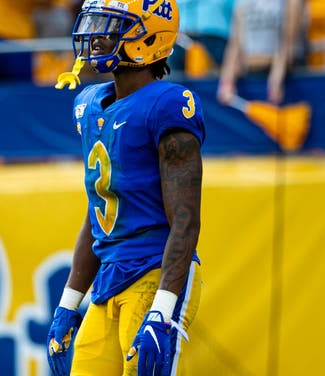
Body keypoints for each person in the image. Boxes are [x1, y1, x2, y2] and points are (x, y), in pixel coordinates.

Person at [46, 0, 205, 375]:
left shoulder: (166, 105)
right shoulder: (89, 105)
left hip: (154, 270)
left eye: (111, 26)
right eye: (97, 23)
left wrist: (162, 310)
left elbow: (185, 219)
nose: (97, 36)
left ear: (148, 37)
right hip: (108, 280)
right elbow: (99, 213)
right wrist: (69, 303)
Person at [217, 0, 305, 105]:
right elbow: (235, 44)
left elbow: (286, 42)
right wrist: (226, 82)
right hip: (249, 75)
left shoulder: (287, 3)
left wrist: (277, 79)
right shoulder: (242, 3)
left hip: (278, 77)